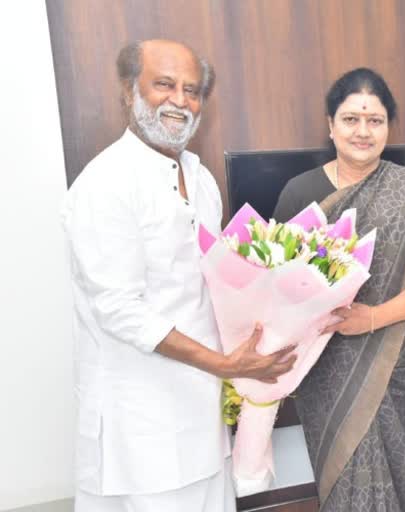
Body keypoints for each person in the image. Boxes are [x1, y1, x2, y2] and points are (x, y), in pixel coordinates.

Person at [62, 39, 296, 512]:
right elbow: (120, 310)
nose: (180, 101)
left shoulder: (200, 175)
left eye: (192, 91)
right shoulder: (106, 184)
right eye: (164, 85)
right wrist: (226, 365)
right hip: (139, 433)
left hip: (202, 419)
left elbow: (215, 281)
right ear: (129, 92)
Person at [272, 67, 405, 511]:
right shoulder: (300, 191)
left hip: (400, 362)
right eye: (351, 119)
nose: (363, 131)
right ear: (330, 125)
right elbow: (275, 284)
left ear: (387, 128)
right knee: (345, 484)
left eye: (374, 120)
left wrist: (371, 318)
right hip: (328, 370)